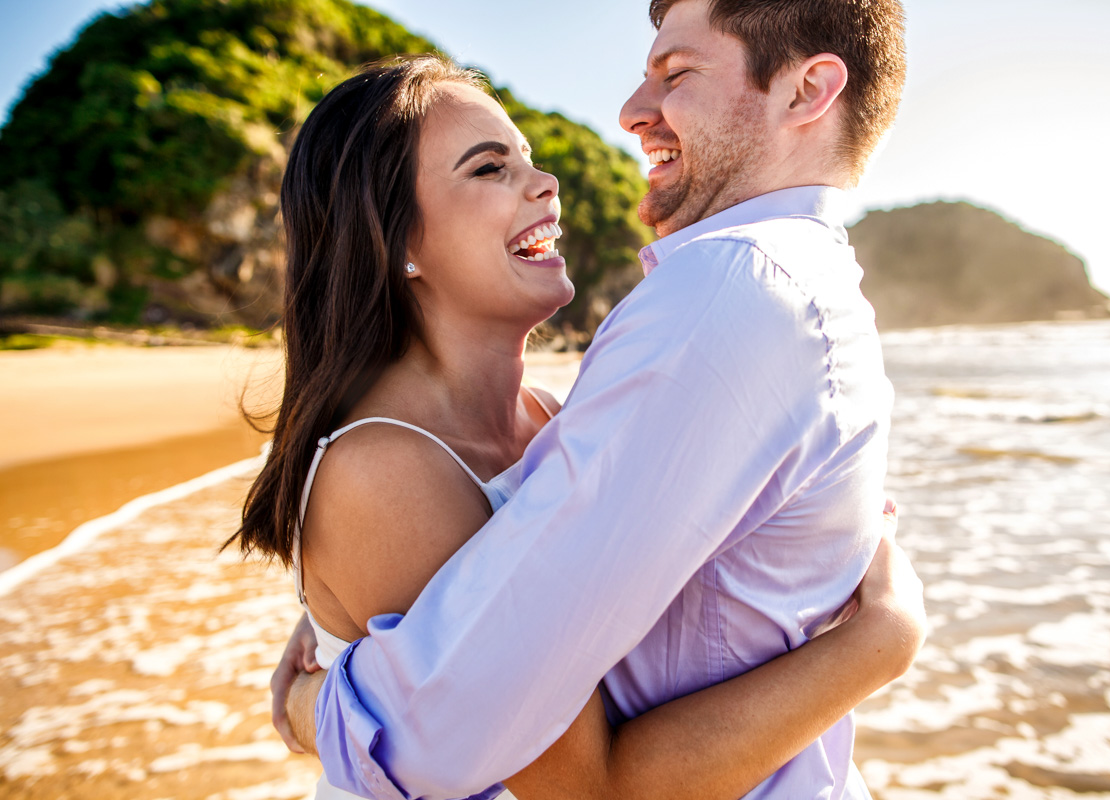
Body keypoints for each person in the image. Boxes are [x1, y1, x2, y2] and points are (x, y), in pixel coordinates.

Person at [281, 0, 910, 794]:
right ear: (396, 238)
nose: (546, 181)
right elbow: (555, 773)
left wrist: (320, 700)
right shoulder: (388, 472)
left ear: (807, 91)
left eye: (676, 73)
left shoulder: (599, 386)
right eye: (489, 167)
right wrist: (882, 642)